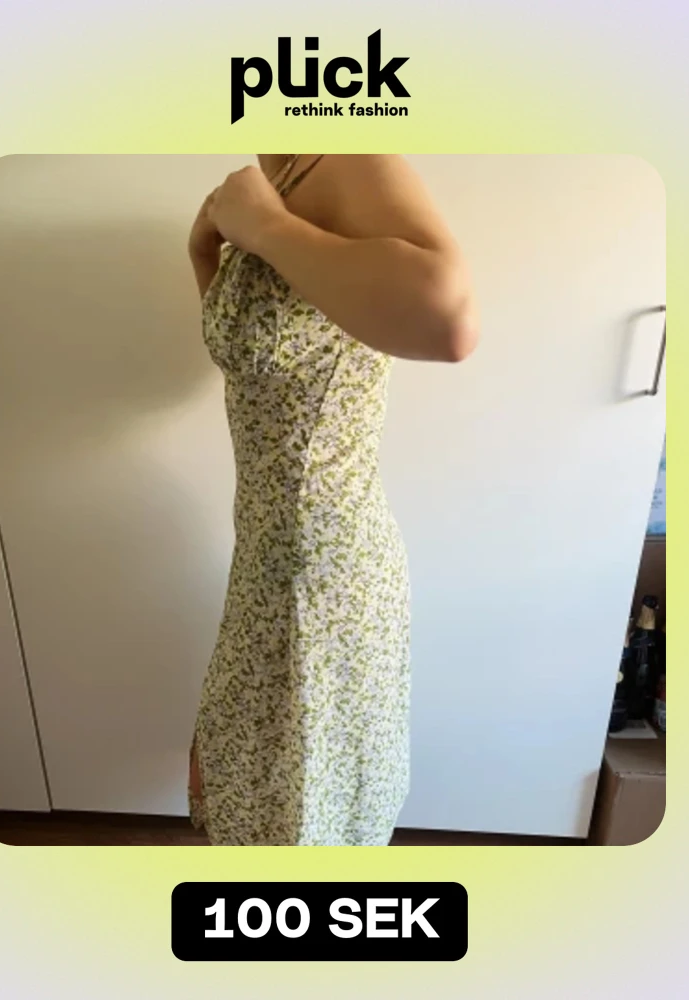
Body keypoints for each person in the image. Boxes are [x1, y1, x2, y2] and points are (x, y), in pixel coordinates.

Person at [186, 154, 478, 846]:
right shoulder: (278, 177)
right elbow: (250, 352)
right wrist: (203, 247)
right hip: (266, 555)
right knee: (254, 772)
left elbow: (451, 323)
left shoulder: (349, 159)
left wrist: (265, 227)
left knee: (309, 793)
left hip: (326, 573)